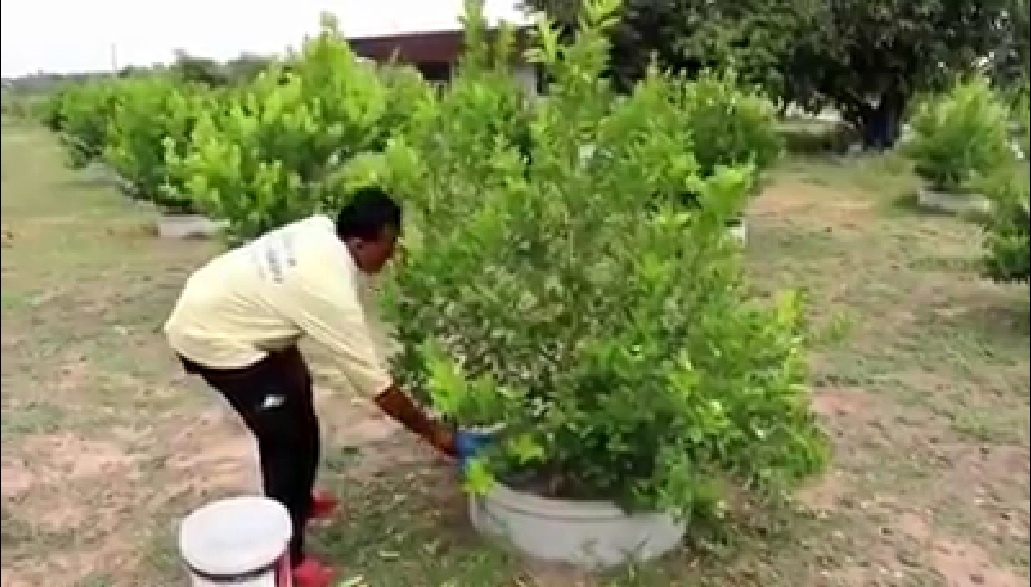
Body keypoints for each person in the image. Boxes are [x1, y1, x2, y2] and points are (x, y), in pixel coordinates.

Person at [163, 187, 455, 587]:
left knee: (299, 401)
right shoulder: (330, 290)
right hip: (211, 334)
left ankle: (298, 500)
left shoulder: (320, 229)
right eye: (387, 246)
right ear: (359, 243)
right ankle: (291, 555)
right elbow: (375, 385)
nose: (390, 256)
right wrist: (434, 433)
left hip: (239, 314)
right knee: (283, 438)